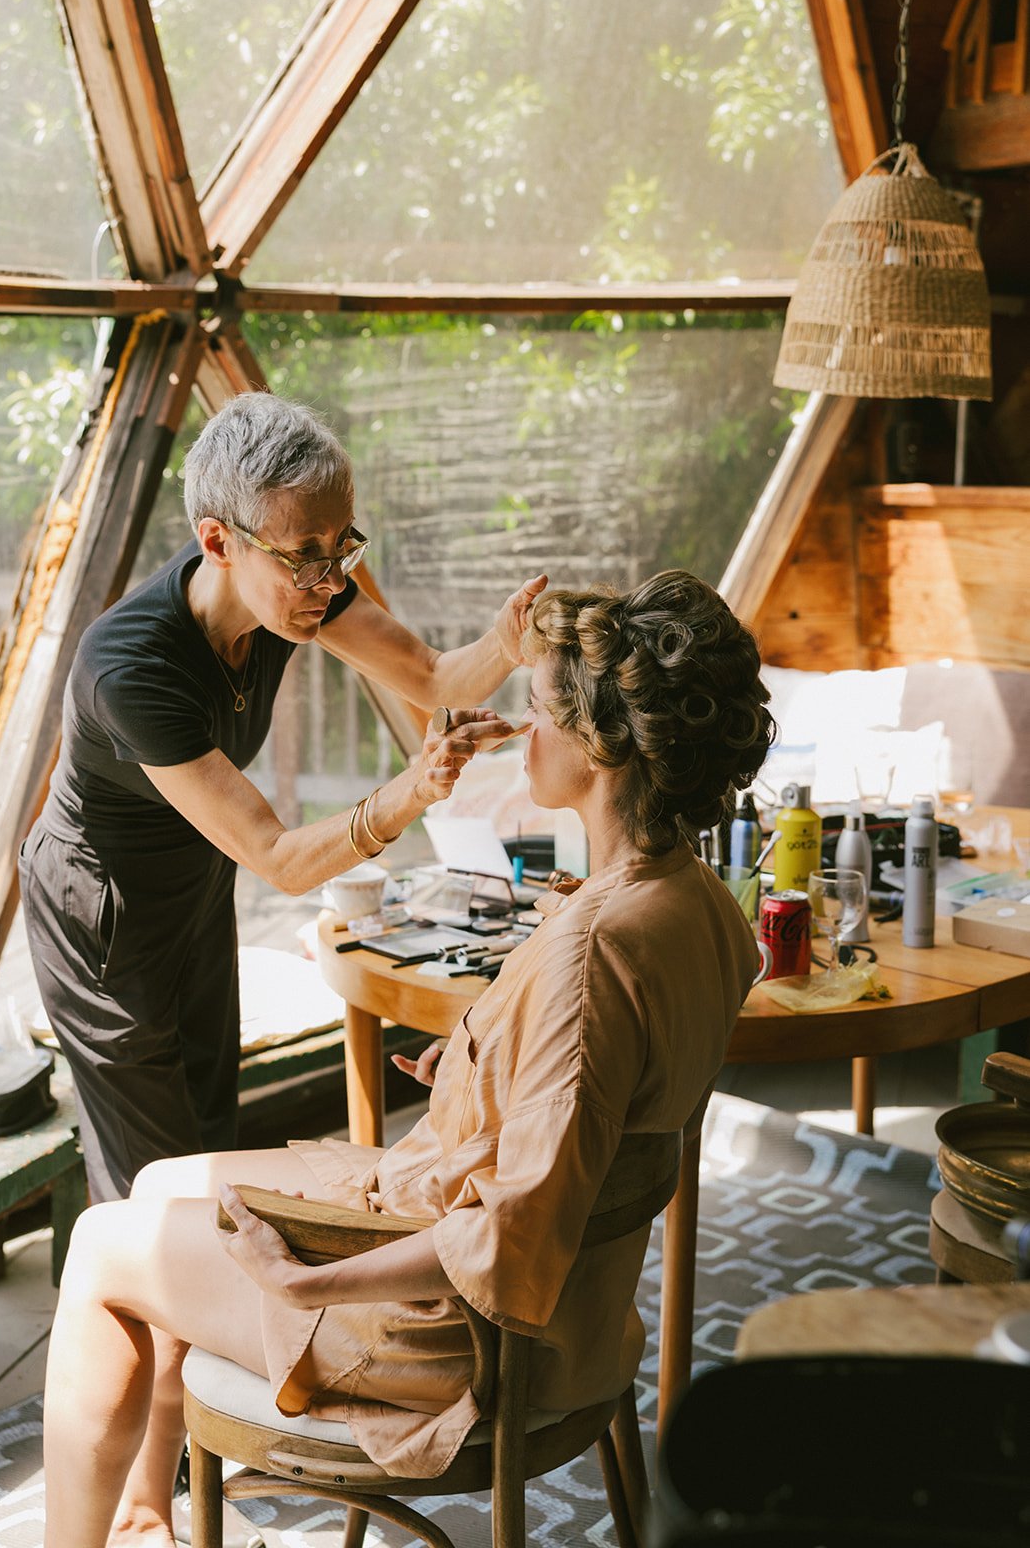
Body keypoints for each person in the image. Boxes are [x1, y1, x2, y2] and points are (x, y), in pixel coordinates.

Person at [42, 569, 775, 1548]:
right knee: (164, 1180)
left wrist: (306, 1284)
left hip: (461, 1333)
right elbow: (605, 1099)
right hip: (578, 1311)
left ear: (600, 747)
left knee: (98, 1246)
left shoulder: (594, 951)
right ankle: (141, 1517)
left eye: (539, 706)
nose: (524, 729)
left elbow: (514, 1232)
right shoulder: (701, 909)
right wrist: (480, 1070)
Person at [19, 392, 545, 1204]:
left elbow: (433, 676)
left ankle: (202, 1313)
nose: (330, 578)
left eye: (341, 546)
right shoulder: (130, 669)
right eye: (306, 553)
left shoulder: (298, 587)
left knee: (208, 1129)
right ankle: (129, 1307)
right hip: (100, 905)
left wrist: (507, 643)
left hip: (194, 876)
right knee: (151, 1180)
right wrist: (414, 788)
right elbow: (278, 860)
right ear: (218, 541)